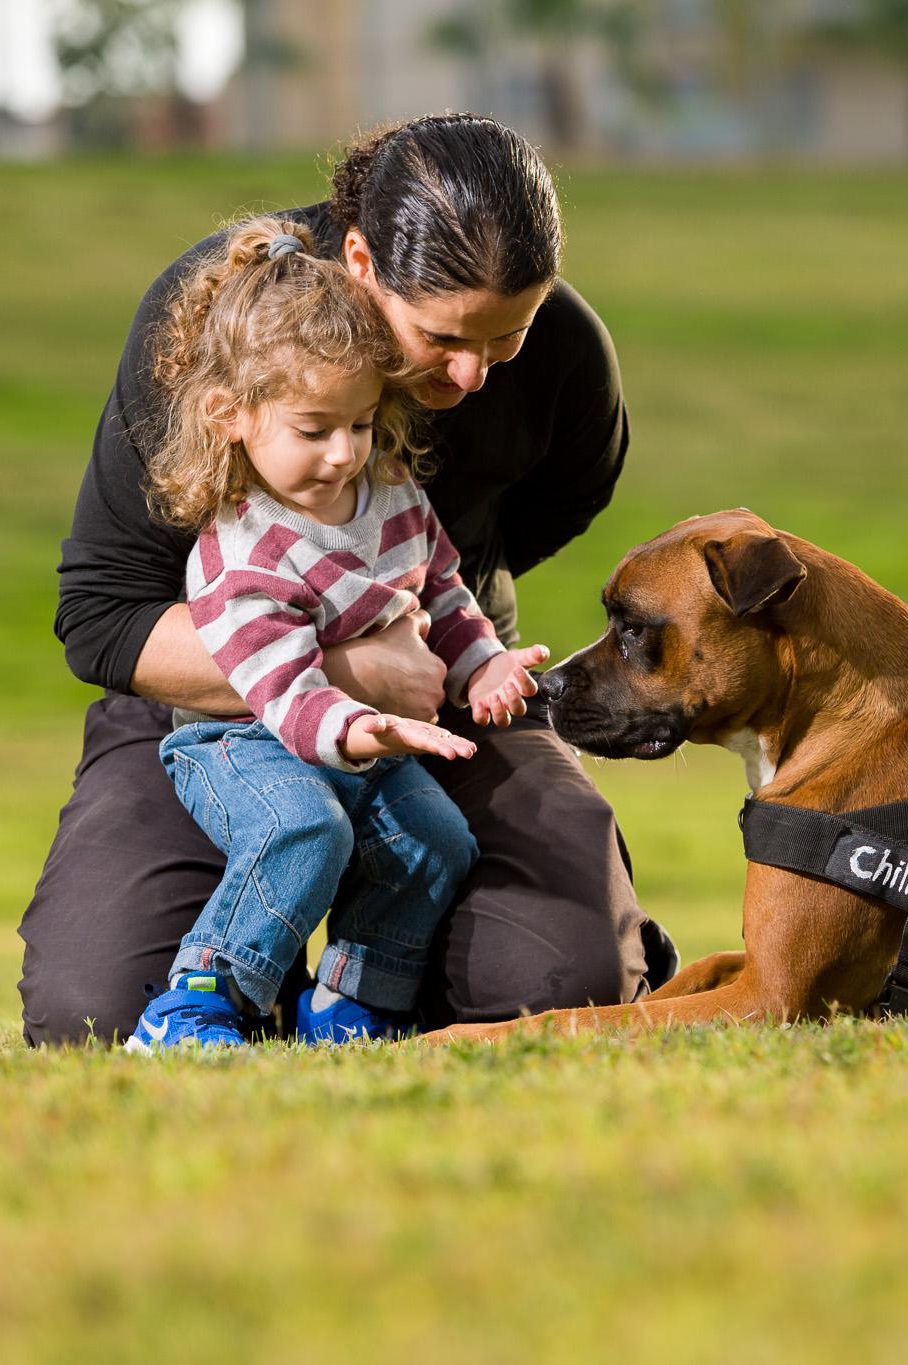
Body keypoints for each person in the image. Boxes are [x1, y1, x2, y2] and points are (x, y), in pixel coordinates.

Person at [19, 115, 675, 1046]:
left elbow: (548, 511)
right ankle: (254, 958)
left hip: (448, 695)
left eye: (506, 336)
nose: (472, 372)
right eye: (441, 335)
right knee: (91, 1009)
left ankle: (372, 983)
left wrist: (447, 638)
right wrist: (354, 667)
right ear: (361, 260)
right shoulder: (219, 317)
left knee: (558, 978)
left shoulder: (564, 351)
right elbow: (102, 618)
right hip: (213, 705)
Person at [126, 218, 553, 1049]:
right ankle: (199, 1000)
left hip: (363, 739)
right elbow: (278, 683)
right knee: (304, 828)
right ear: (232, 416)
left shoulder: (390, 493)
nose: (343, 454)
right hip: (242, 741)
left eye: (359, 425)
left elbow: (444, 590)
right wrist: (359, 725)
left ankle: (355, 1001)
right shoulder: (242, 546)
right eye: (314, 430)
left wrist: (484, 665)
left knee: (435, 841)